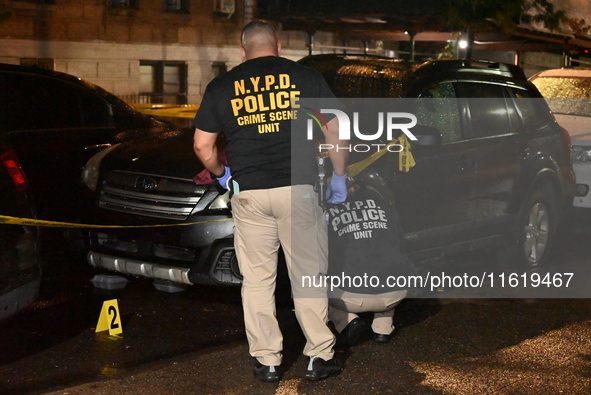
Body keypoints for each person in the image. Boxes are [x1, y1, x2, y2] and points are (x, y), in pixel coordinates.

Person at [192, 19, 348, 383]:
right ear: (279, 48)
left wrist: (221, 174)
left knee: (258, 280)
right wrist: (339, 176)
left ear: (243, 52)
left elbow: (203, 145)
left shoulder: (222, 85)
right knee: (307, 275)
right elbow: (336, 129)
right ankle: (319, 356)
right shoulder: (305, 77)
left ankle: (268, 361)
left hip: (250, 194)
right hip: (299, 190)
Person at [326, 183, 415, 348]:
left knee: (310, 279)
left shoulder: (327, 208)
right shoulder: (383, 204)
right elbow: (399, 240)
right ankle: (383, 328)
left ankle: (347, 322)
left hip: (352, 297)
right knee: (387, 261)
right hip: (395, 293)